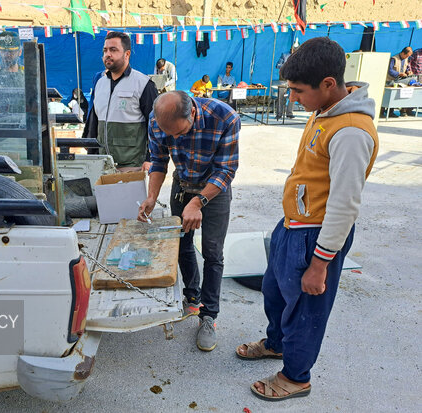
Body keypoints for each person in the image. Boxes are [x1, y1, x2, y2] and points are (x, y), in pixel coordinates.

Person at [235, 37, 379, 401]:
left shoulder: (350, 132)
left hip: (316, 236)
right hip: (293, 225)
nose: (294, 98)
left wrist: (320, 264)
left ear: (328, 84)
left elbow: (345, 205)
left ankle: (296, 376)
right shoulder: (325, 110)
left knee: (305, 310)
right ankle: (277, 344)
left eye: (299, 91)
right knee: (275, 291)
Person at [138, 90, 239, 352]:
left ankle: (209, 316)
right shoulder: (155, 121)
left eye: (179, 134)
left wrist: (199, 201)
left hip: (214, 191)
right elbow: (159, 161)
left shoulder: (225, 117)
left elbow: (226, 170)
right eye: (169, 134)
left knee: (213, 252)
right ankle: (191, 298)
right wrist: (151, 197)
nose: (174, 138)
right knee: (181, 244)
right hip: (182, 187)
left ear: (192, 113)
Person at [82, 31, 158, 171]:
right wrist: (91, 155)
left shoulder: (143, 84)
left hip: (132, 165)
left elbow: (156, 125)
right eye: (105, 50)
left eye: (113, 50)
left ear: (127, 54)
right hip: (102, 164)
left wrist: (150, 158)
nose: (108, 54)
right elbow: (94, 121)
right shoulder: (100, 83)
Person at [275, 46, 297, 120]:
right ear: (291, 48)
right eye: (294, 48)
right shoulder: (284, 55)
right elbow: (277, 65)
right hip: (284, 79)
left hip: (294, 79)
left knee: (293, 96)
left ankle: (289, 113)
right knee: (280, 96)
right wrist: (286, 66)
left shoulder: (300, 57)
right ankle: (279, 113)